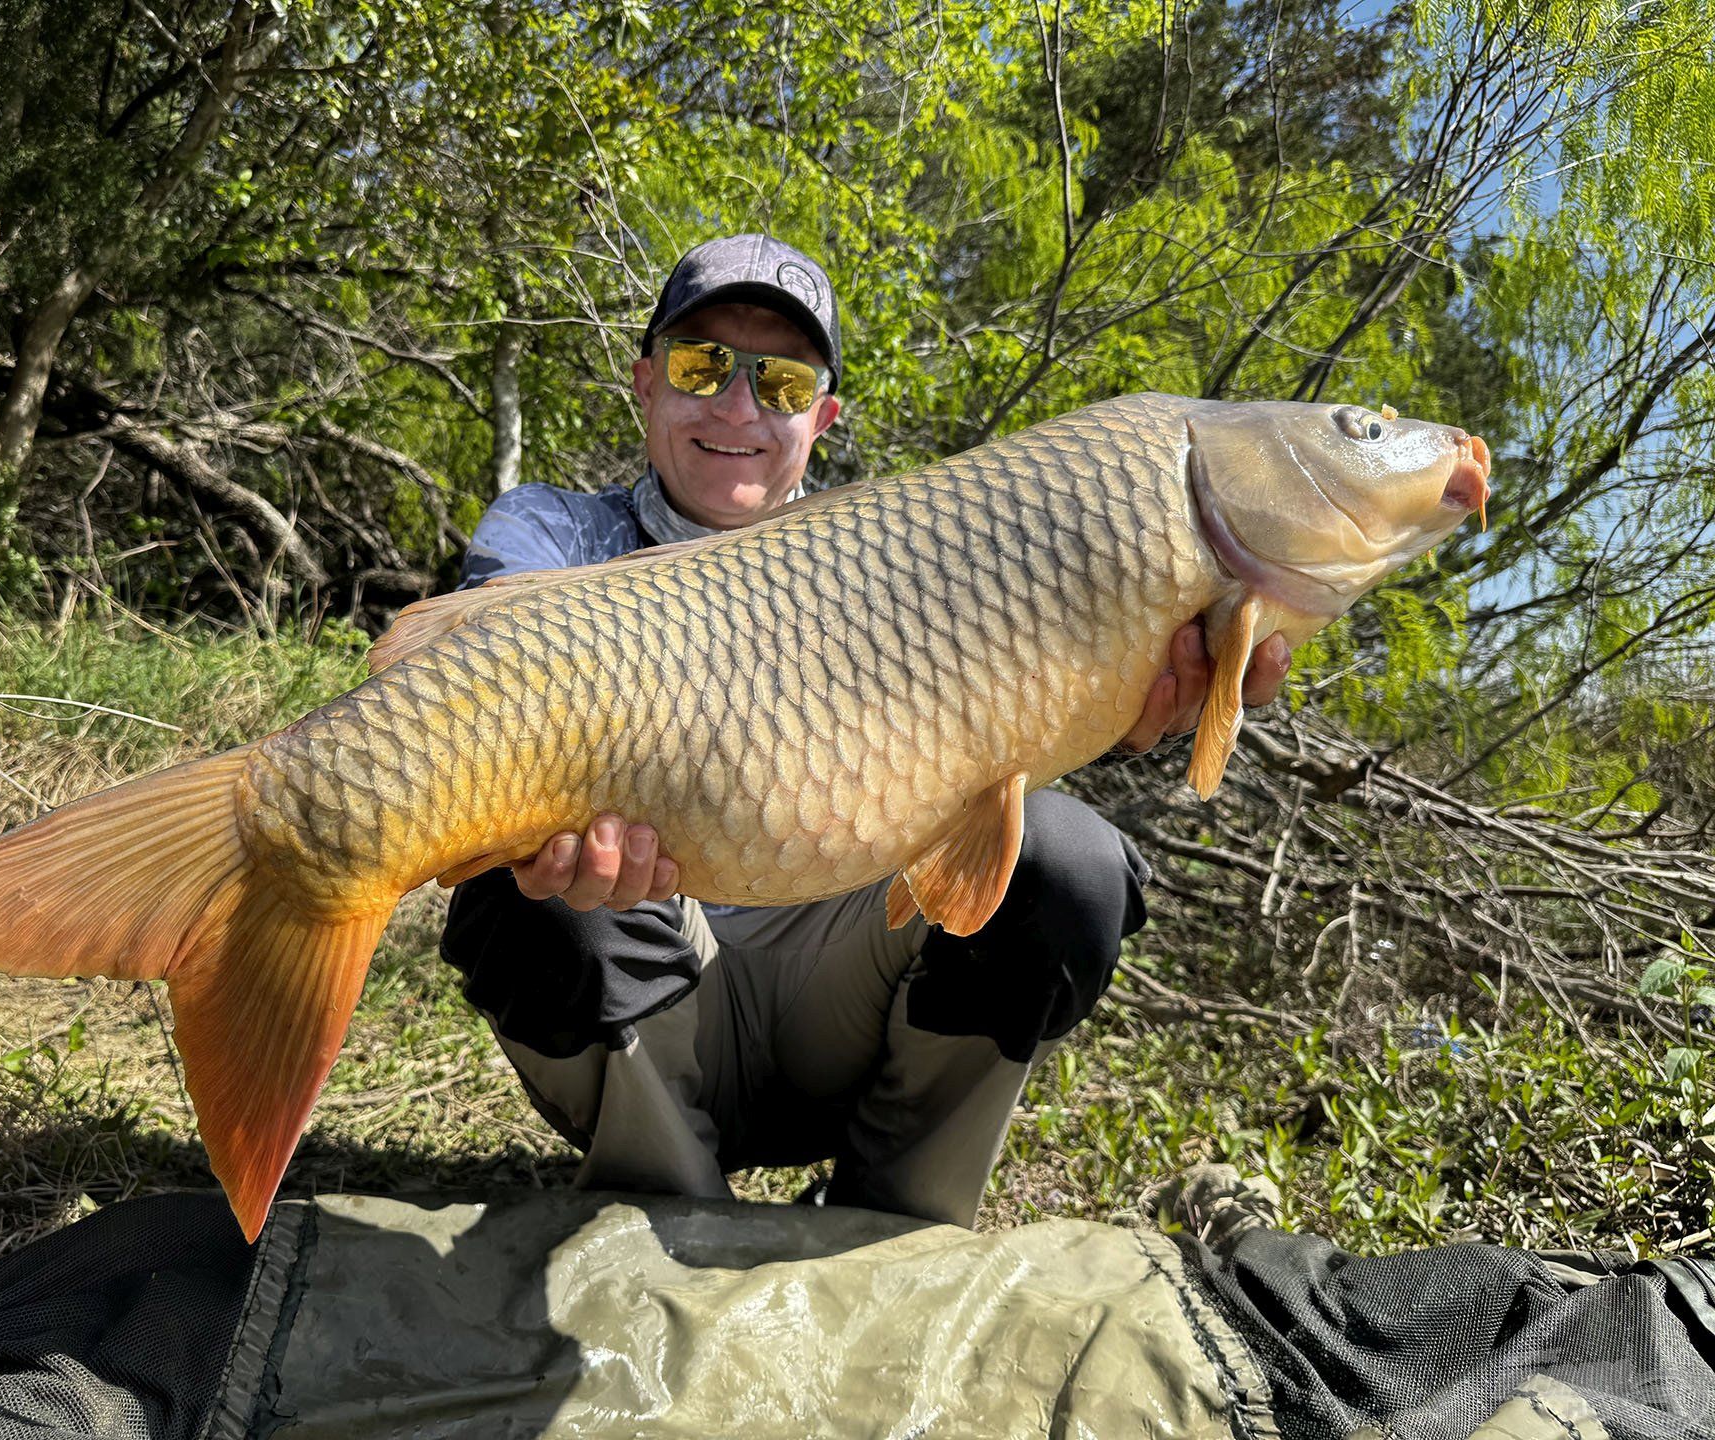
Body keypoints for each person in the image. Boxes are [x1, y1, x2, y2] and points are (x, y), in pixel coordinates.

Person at [438, 235, 1291, 1228]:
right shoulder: (552, 535)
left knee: (1068, 864)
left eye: (783, 382)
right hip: (646, 992)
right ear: (645, 382)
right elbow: (468, 697)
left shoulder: (902, 555)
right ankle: (671, 1217)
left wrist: (1130, 695)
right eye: (702, 365)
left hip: (842, 1007)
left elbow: (1014, 715)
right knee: (521, 854)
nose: (737, 406)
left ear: (823, 418)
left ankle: (897, 1225)